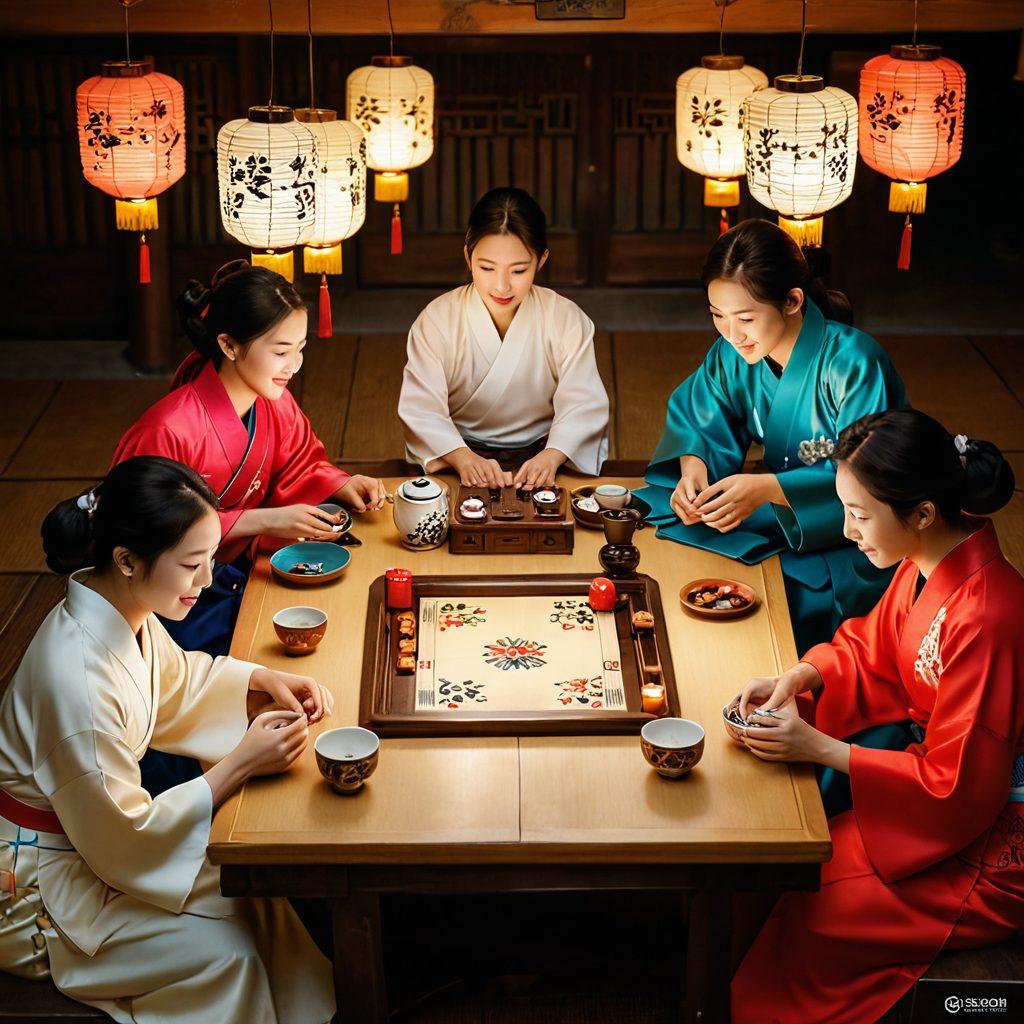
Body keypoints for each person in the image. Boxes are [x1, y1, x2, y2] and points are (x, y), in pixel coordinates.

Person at [0, 456, 336, 1023]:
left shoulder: (119, 604)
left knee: (253, 891)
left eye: (208, 559)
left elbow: (176, 685)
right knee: (226, 953)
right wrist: (237, 767)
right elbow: (123, 834)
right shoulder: (75, 678)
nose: (206, 581)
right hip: (41, 886)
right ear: (127, 560)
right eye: (191, 565)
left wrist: (257, 683)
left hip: (99, 843)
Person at [728, 409, 1021, 1024]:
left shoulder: (990, 615)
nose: (847, 528)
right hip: (930, 800)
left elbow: (960, 784)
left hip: (985, 841)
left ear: (920, 513)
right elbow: (875, 652)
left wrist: (819, 748)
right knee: (785, 862)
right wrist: (803, 677)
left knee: (820, 902)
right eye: (844, 508)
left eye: (860, 515)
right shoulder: (926, 560)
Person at [637, 219, 907, 652]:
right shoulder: (733, 353)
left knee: (763, 601)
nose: (731, 334)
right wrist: (694, 470)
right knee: (663, 533)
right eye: (718, 317)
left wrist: (769, 489)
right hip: (777, 514)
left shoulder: (853, 363)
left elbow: (871, 477)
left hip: (851, 539)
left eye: (745, 318)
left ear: (792, 301)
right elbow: (701, 416)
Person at [113, 259, 385, 657]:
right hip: (177, 598)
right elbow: (144, 534)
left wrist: (339, 483)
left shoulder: (275, 402)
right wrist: (258, 520)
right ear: (228, 345)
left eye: (300, 349)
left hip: (243, 568)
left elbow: (301, 463)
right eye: (280, 351)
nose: (293, 365)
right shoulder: (168, 429)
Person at [399, 186, 609, 490]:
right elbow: (421, 409)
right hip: (455, 458)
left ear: (541, 260)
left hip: (544, 459)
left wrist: (552, 455)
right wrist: (462, 458)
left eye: (519, 270)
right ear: (467, 256)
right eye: (486, 267)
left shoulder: (566, 319)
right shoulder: (437, 320)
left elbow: (583, 403)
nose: (502, 286)